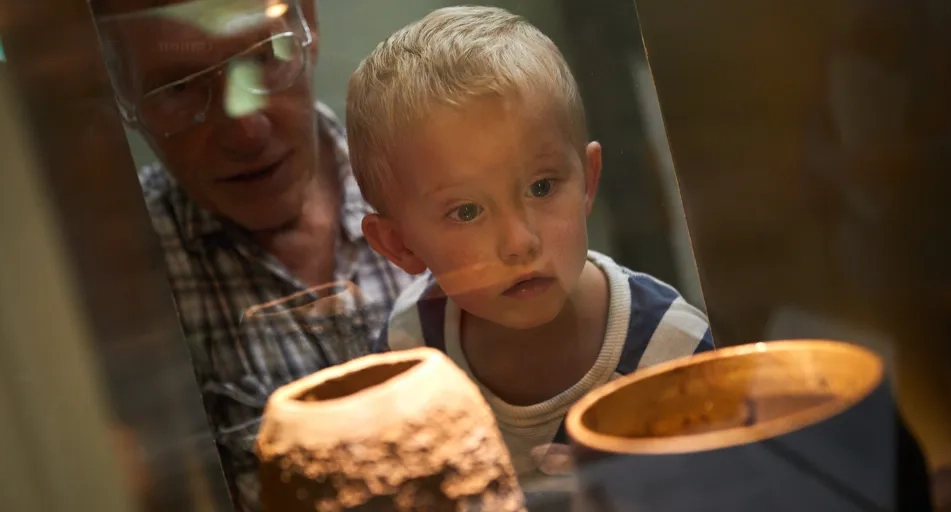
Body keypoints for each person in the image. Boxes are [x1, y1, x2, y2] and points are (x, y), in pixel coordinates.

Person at [346, 5, 714, 479]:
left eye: (541, 187)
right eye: (467, 211)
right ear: (399, 245)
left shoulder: (674, 354)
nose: (520, 242)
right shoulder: (409, 356)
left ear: (587, 179)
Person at [90, 0, 413, 510]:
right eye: (178, 88)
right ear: (118, 92)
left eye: (262, 59)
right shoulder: (115, 280)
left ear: (307, 21)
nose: (247, 130)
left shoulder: (424, 181)